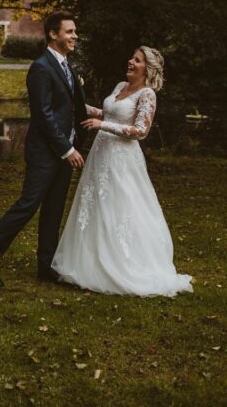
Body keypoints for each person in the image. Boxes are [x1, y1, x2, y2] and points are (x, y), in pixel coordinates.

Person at [52, 46, 192, 296]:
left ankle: (124, 262)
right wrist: (76, 104)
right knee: (95, 204)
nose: (130, 62)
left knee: (121, 205)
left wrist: (102, 124)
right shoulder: (119, 87)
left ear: (146, 68)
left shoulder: (147, 94)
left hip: (122, 159)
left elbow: (141, 131)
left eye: (136, 60)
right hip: (101, 155)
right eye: (131, 58)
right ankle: (88, 262)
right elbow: (107, 113)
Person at [0, 11, 88, 287]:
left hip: (65, 151)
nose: (75, 36)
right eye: (69, 31)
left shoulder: (68, 67)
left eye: (75, 31)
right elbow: (44, 115)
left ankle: (46, 266)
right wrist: (66, 149)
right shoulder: (41, 67)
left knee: (54, 209)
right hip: (46, 153)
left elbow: (71, 107)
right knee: (27, 206)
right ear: (53, 33)